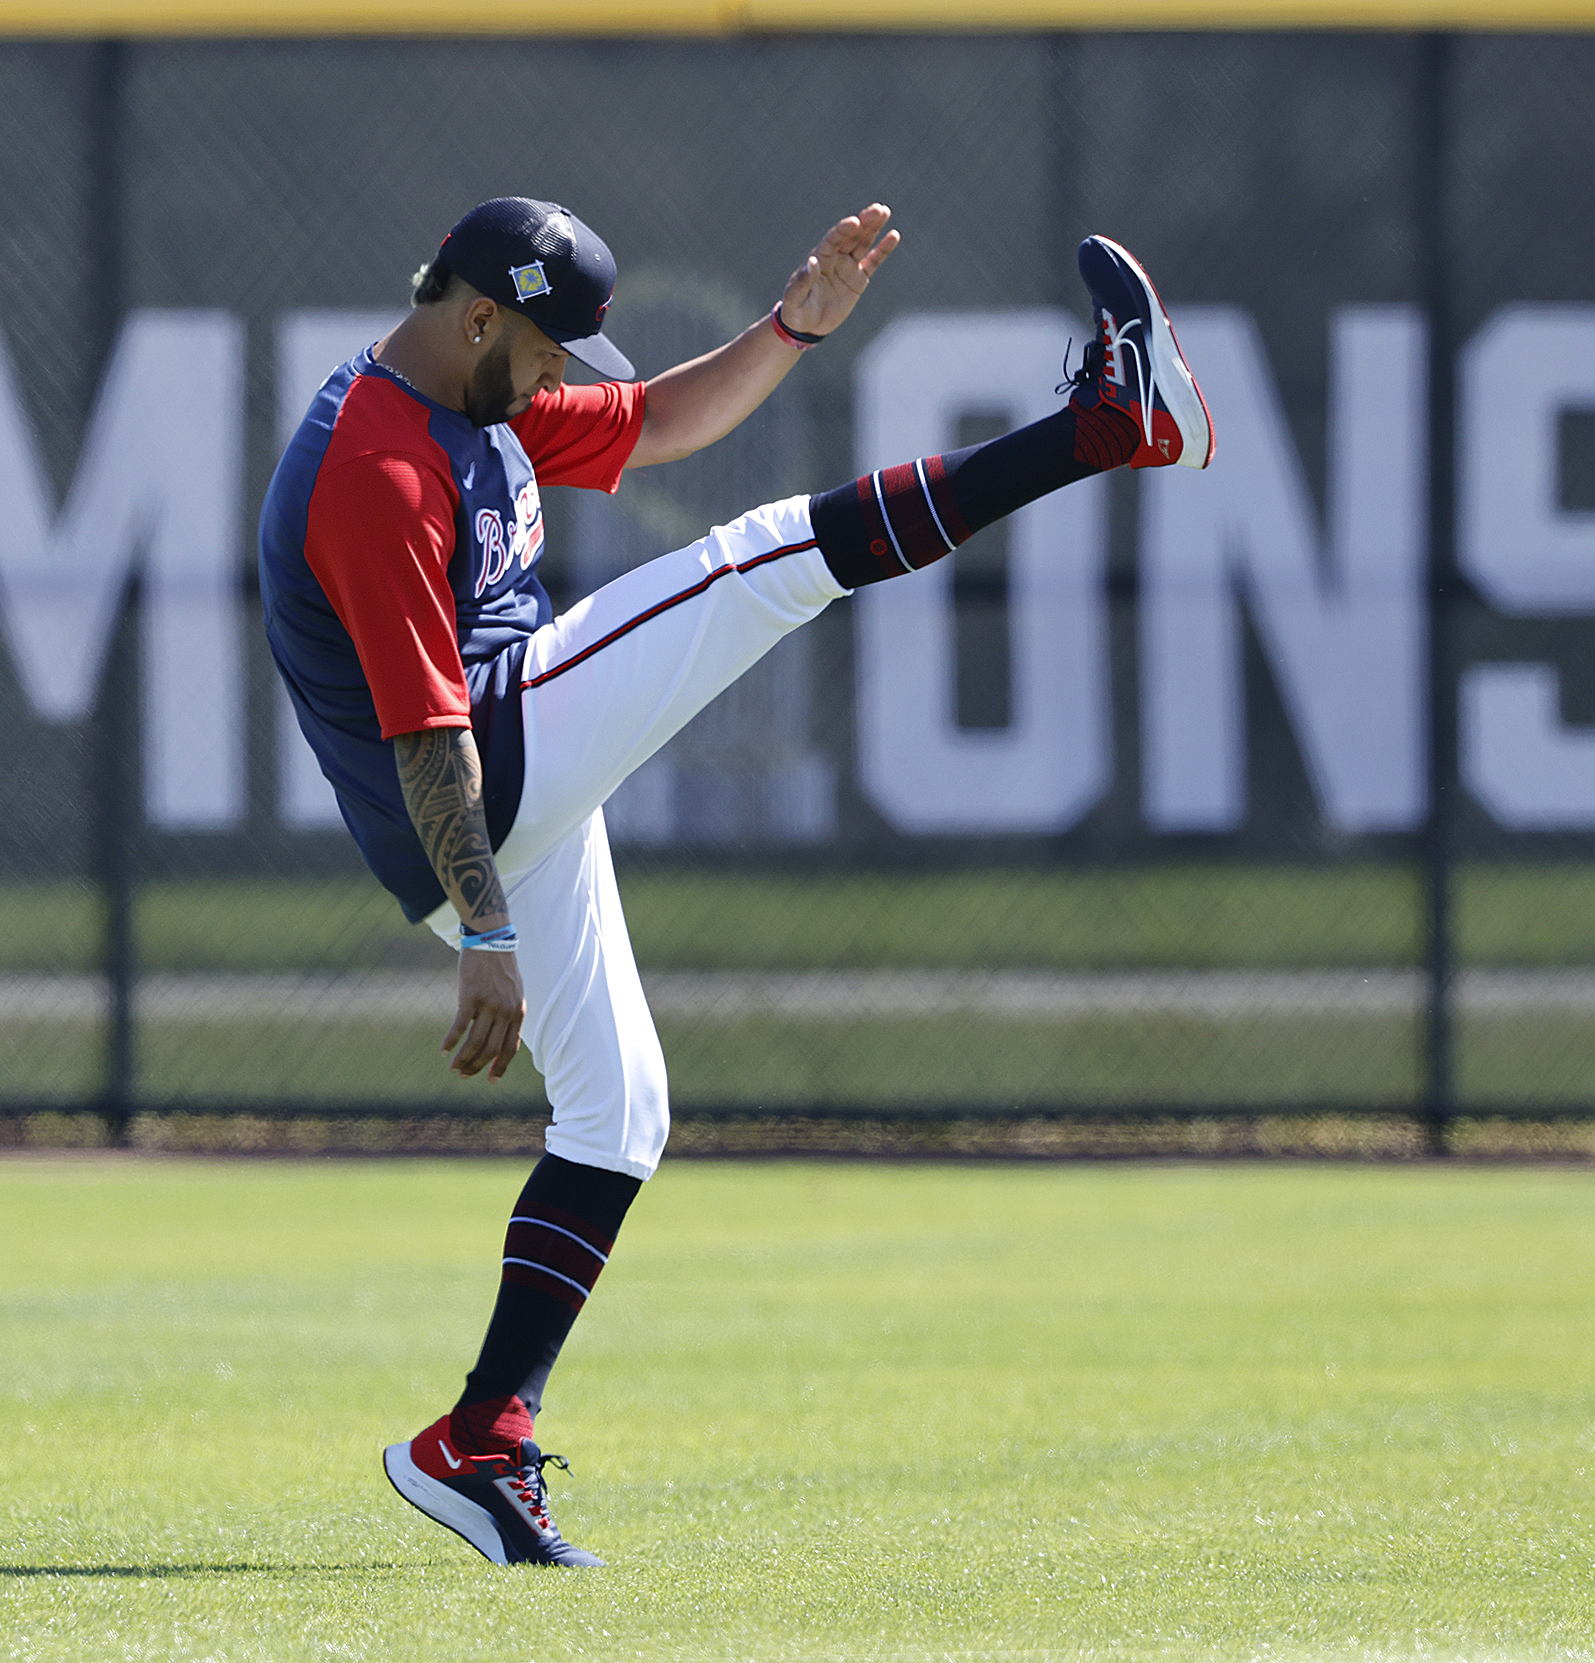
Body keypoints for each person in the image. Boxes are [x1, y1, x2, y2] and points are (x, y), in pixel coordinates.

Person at [257, 196, 1212, 1566]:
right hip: (475, 774)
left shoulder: (477, 384)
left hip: (508, 773)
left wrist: (790, 331)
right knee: (761, 559)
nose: (564, 373)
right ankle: (1105, 428)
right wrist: (487, 929)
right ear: (477, 317)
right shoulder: (379, 464)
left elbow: (658, 422)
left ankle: (479, 1437)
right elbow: (426, 734)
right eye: (546, 347)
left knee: (620, 1112)